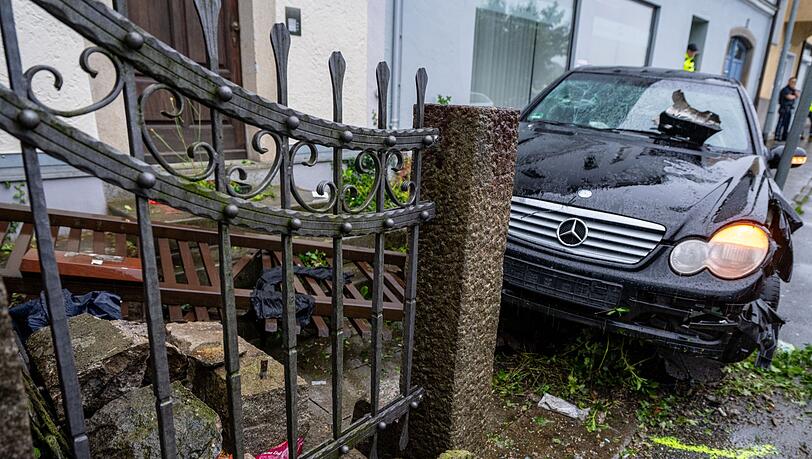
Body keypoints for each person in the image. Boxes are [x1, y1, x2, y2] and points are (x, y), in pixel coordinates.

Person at [775, 77, 799, 142]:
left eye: (795, 82)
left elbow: (798, 95)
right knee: (780, 123)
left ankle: (784, 137)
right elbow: (789, 97)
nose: (793, 83)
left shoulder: (793, 90)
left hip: (789, 109)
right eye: (792, 82)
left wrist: (794, 91)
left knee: (786, 124)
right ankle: (777, 136)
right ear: (789, 82)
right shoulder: (785, 89)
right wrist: (794, 96)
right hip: (784, 108)